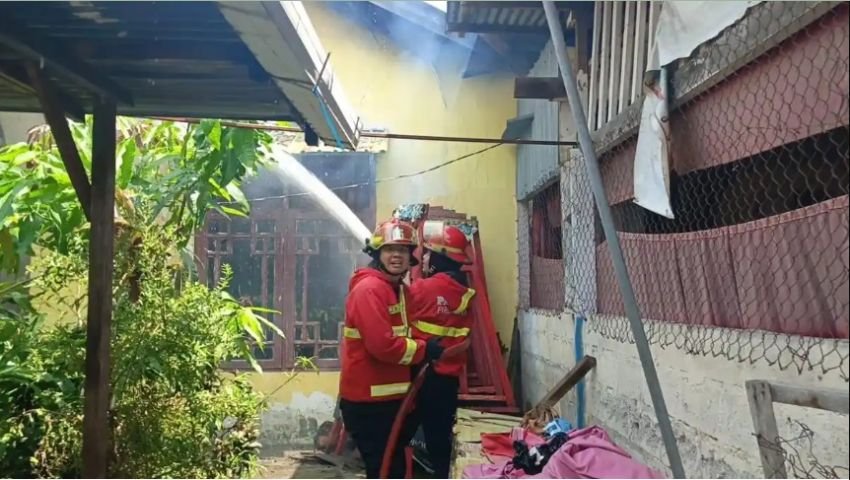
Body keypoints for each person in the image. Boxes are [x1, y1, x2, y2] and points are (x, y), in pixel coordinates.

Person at [339, 218, 445, 479]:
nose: (396, 255)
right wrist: (423, 350)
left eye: (403, 250)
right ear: (377, 253)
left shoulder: (398, 290)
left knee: (391, 467)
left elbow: (405, 331)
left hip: (388, 398)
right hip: (369, 403)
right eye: (389, 249)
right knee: (386, 470)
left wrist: (429, 344)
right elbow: (382, 345)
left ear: (411, 256)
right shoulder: (369, 290)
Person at [409, 223, 476, 479]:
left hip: (421, 373)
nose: (423, 258)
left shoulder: (422, 289)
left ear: (439, 257)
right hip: (447, 379)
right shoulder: (466, 294)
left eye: (427, 253)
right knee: (439, 437)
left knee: (401, 431)